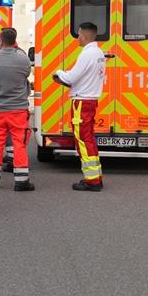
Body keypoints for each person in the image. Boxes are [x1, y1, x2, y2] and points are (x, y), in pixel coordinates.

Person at [53, 22, 106, 191]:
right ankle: (96, 176)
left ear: (84, 35)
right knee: (88, 139)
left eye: (79, 34)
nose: (77, 37)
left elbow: (71, 78)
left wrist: (58, 73)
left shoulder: (87, 54)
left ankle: (92, 181)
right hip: (90, 100)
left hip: (81, 102)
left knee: (83, 140)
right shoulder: (98, 52)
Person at [0, 28, 35, 191]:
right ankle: (21, 181)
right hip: (18, 109)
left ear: (0, 40)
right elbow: (26, 75)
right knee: (18, 144)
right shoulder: (23, 60)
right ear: (14, 40)